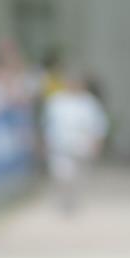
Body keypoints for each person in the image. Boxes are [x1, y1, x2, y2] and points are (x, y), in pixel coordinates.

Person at [42, 70, 108, 213]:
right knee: (62, 175)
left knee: (78, 177)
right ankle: (66, 201)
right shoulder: (56, 101)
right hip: (60, 146)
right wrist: (45, 142)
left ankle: (74, 200)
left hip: (82, 146)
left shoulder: (89, 102)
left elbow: (99, 125)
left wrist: (97, 143)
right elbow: (47, 124)